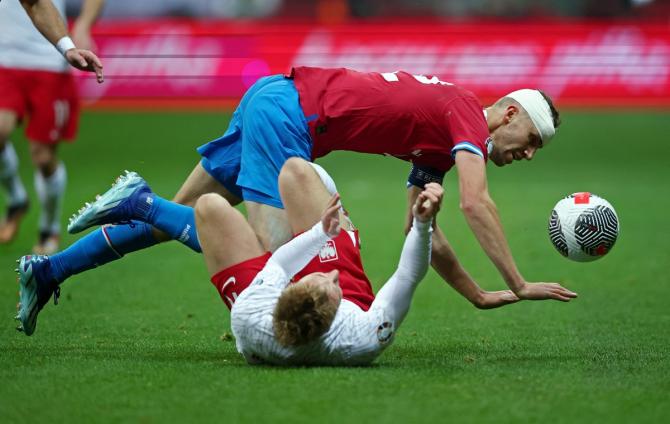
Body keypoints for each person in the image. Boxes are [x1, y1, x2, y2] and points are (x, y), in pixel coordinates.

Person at [16, 67, 576, 332]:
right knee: (269, 259)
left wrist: (477, 294)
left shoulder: (439, 144)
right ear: (506, 114)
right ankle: (138, 199)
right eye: (528, 142)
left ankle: (50, 269)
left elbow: (422, 234)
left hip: (278, 101)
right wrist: (522, 283)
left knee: (175, 220)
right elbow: (476, 204)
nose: (524, 155)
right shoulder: (464, 114)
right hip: (289, 117)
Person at [19, 158, 439, 368]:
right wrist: (423, 223)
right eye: (331, 283)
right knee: (293, 169)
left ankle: (140, 204)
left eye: (322, 280)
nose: (327, 273)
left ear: (286, 291)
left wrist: (311, 239)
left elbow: (277, 263)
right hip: (279, 138)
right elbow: (408, 273)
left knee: (209, 209)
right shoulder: (366, 333)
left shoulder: (252, 315)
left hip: (264, 304)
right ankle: (53, 268)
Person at [0, 0, 104, 254]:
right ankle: (16, 199)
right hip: (5, 58)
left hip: (47, 60)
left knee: (43, 157)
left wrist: (82, 25)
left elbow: (35, 3)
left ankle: (49, 227)